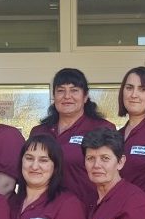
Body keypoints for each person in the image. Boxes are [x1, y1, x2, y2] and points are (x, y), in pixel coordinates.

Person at [30, 68, 115, 207]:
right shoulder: (39, 132)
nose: (67, 96)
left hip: (88, 208)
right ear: (54, 96)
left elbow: (111, 175)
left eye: (74, 90)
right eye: (61, 90)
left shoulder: (102, 129)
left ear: (85, 96)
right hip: (44, 210)